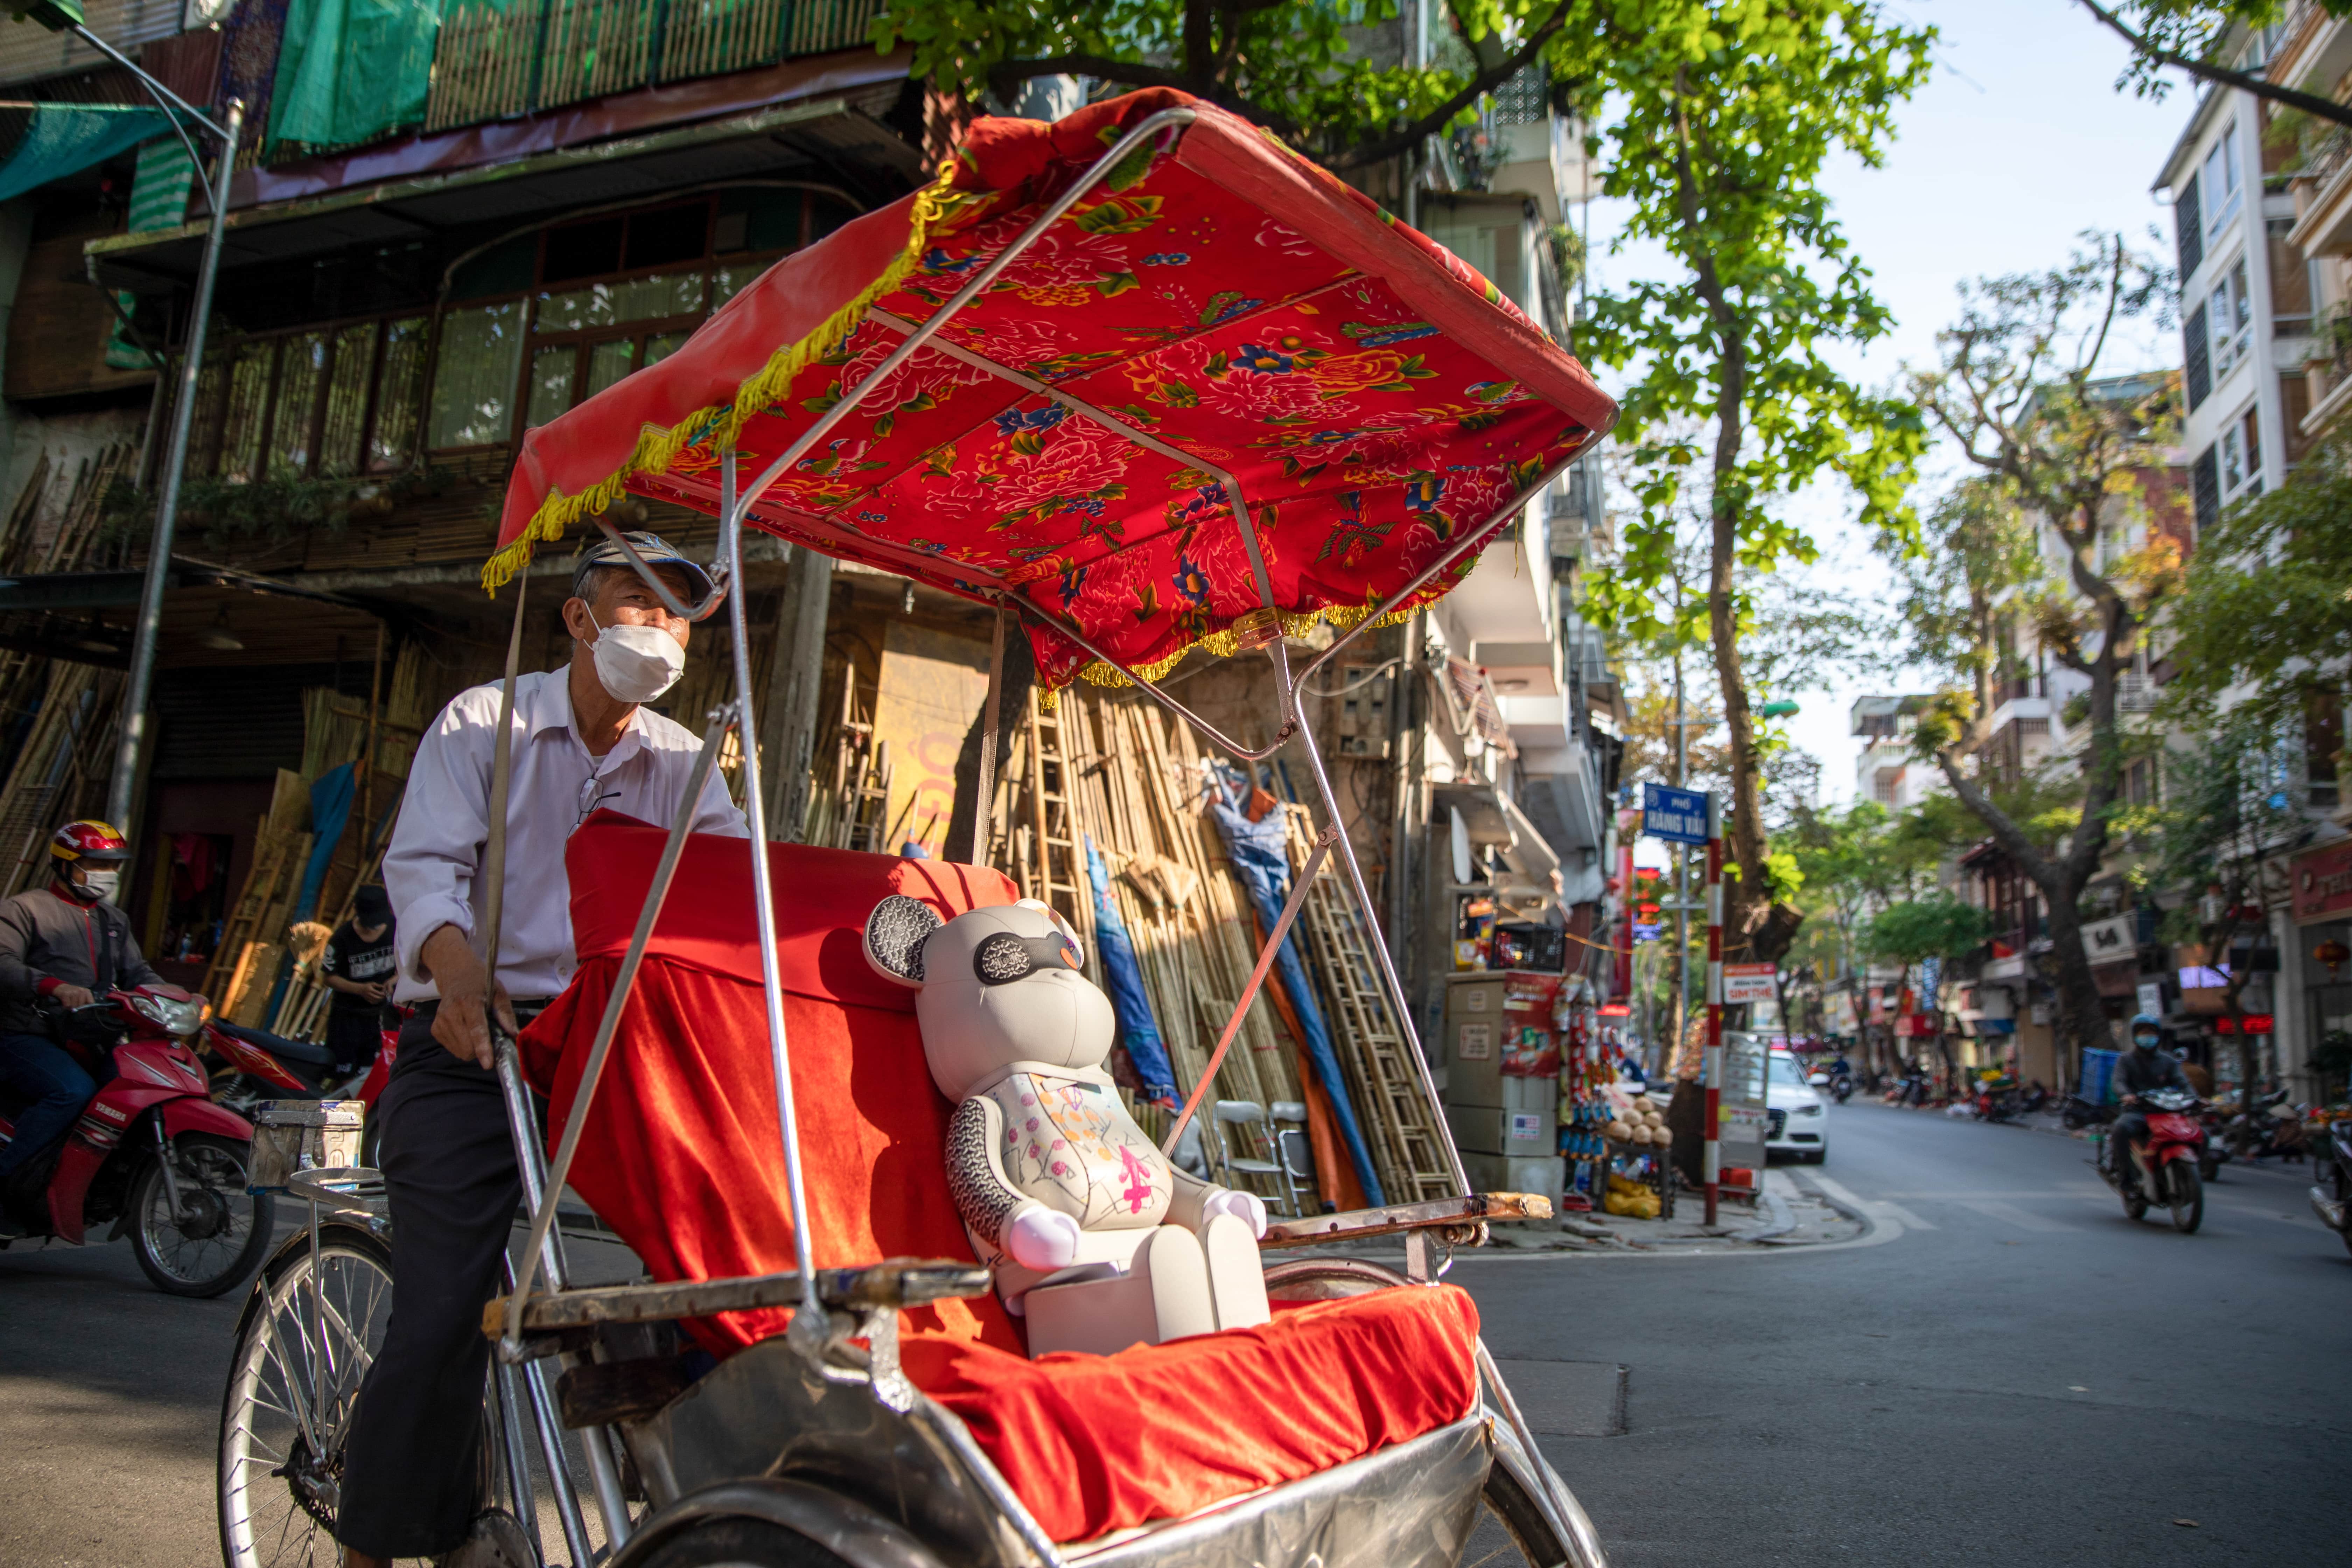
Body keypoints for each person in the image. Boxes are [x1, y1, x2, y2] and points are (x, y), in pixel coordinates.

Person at [337, 533, 747, 1567]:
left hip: (603, 1041)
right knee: (441, 1317)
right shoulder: (487, 720)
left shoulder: (680, 760)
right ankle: (370, 1545)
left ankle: (685, 1471)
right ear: (578, 618)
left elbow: (733, 885)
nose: (655, 629)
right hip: (467, 1033)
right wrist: (459, 972)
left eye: (674, 614)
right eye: (634, 604)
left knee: (720, 1248)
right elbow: (423, 865)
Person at [0, 820, 162, 1236]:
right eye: (93, 862)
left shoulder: (113, 920)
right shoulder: (25, 909)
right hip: (25, 1034)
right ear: (66, 864)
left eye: (111, 865)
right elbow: (3, 963)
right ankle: (9, 1183)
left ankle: (98, 1187)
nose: (104, 872)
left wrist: (173, 996)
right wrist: (55, 987)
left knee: (135, 1092)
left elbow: (137, 971)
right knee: (71, 1091)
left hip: (92, 1036)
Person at [316, 884, 397, 1079]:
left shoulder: (396, 928)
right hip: (347, 1017)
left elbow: (413, 961)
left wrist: (395, 979)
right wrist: (360, 989)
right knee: (342, 1073)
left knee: (373, 1074)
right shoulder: (342, 938)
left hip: (381, 1017)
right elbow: (328, 977)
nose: (374, 928)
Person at [2106, 1014, 2190, 1184]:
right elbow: (2119, 1082)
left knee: (2201, 1134)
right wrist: (2126, 1095)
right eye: (2143, 1032)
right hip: (2138, 1111)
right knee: (2120, 1129)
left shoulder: (2169, 1061)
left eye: (2151, 1032)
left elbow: (2184, 1084)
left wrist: (2196, 1099)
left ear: (2158, 1035)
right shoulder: (2126, 1060)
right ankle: (2127, 1175)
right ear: (2136, 1036)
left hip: (2166, 1113)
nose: (2147, 1036)